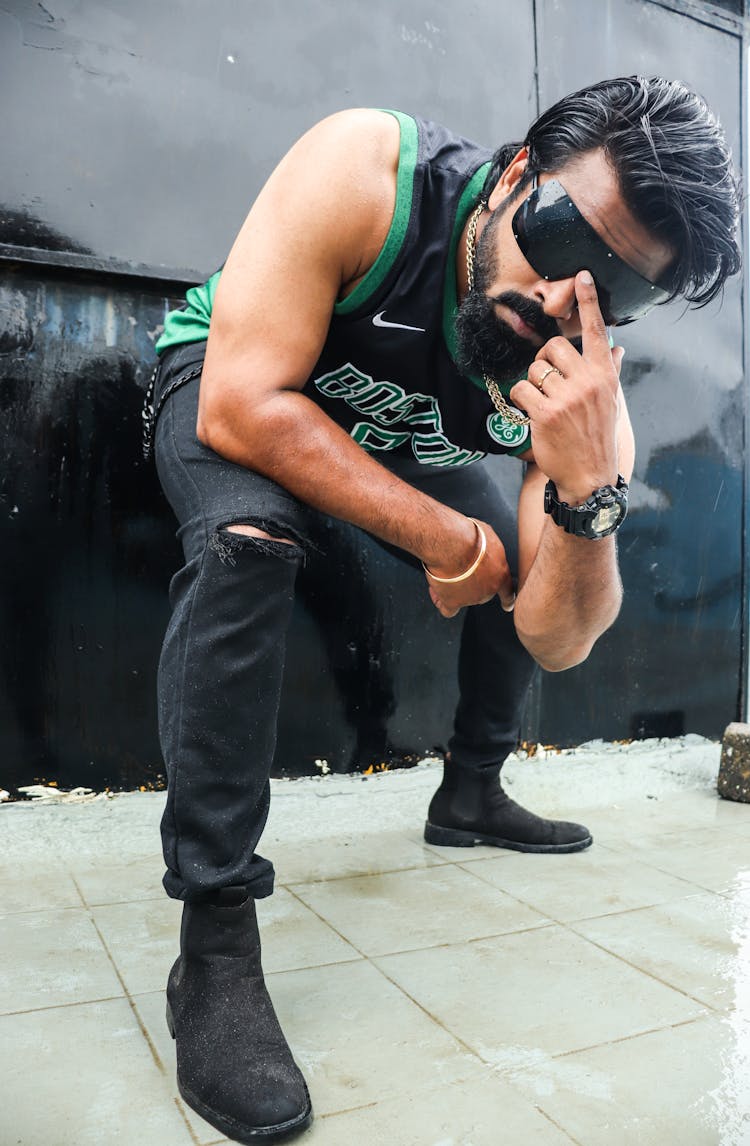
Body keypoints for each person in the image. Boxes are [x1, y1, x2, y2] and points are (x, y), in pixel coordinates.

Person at [146, 76, 740, 1143]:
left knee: (534, 553)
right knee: (250, 543)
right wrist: (447, 537)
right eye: (562, 238)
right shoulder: (369, 172)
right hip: (236, 374)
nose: (566, 295)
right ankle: (217, 939)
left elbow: (558, 637)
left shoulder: (574, 378)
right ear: (517, 176)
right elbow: (244, 401)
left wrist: (584, 498)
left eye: (617, 288)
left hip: (392, 442)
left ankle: (471, 794)